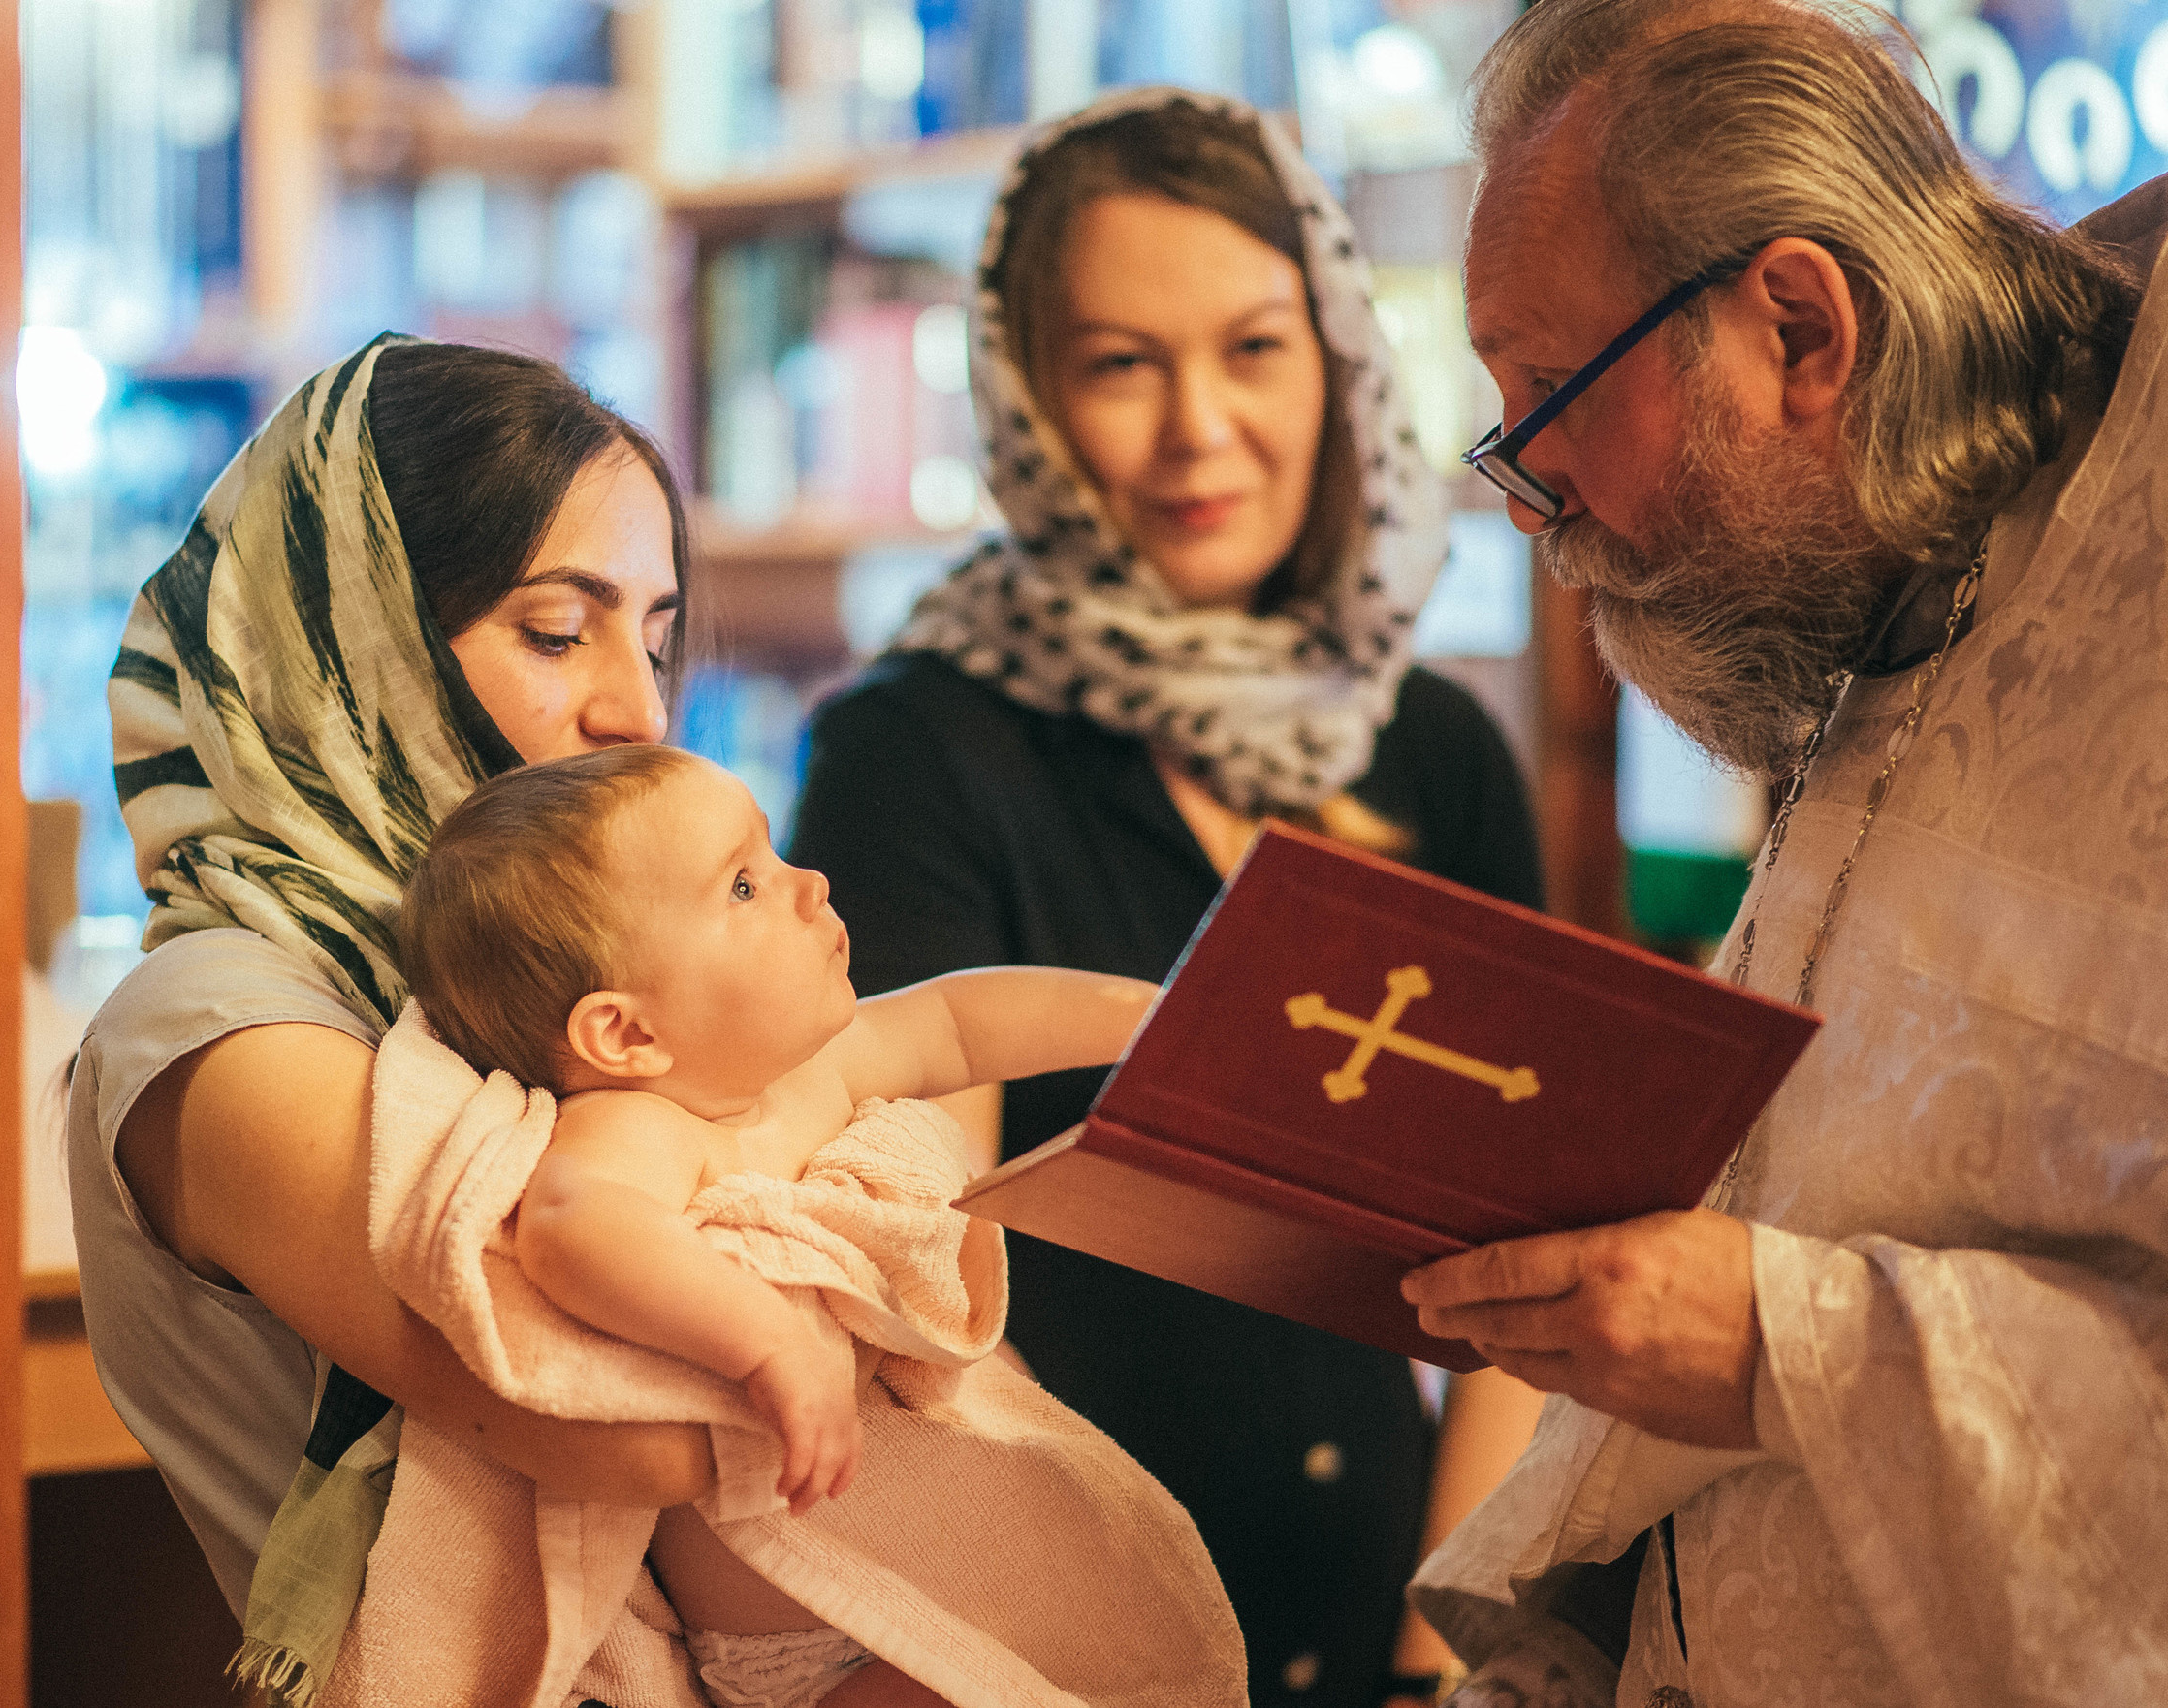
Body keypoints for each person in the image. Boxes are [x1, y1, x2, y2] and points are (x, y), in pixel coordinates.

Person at [1394, 3, 2168, 1703]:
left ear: (1801, 327)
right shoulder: (1885, 599)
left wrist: (1782, 1347)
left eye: (1550, 397)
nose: (1536, 501)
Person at [788, 89, 1547, 1708]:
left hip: (1385, 1648)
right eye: (1123, 364)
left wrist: (1441, 1666)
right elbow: (912, 1279)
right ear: (1032, 401)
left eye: (1255, 347)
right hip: (1055, 1656)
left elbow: (1530, 1271)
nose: (1200, 425)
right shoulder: (917, 751)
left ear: (1340, 358)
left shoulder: (1434, 751)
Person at [65, 335, 729, 1701]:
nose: (639, 710)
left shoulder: (531, 993)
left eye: (656, 643)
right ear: (342, 639)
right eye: (557, 630)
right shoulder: (217, 1022)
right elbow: (626, 1425)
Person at [379, 743, 1238, 1707]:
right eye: (743, 885)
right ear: (625, 1034)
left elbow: (963, 1021)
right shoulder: (639, 1125)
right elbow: (578, 1223)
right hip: (809, 1651)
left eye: (773, 852)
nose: (809, 882)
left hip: (951, 1597)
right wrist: (769, 1341)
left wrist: (1151, 1020)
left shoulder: (810, 1074)